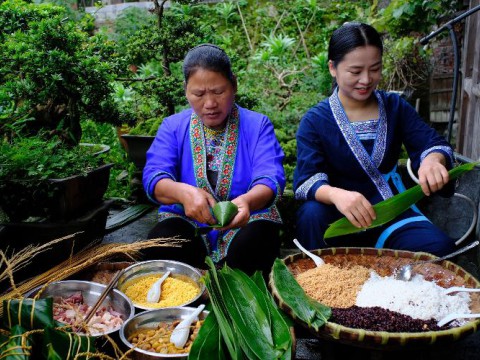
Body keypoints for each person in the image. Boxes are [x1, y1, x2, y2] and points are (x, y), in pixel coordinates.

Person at [294, 22, 455, 256]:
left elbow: (430, 143)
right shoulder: (315, 120)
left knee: (439, 248)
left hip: (389, 213)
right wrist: (337, 195)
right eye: (355, 71)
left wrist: (433, 160)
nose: (367, 80)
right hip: (338, 218)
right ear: (333, 68)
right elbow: (307, 180)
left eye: (375, 69)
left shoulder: (395, 106)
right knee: (311, 214)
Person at [142, 44, 286, 274]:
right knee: (161, 242)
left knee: (256, 243)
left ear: (234, 85)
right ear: (186, 90)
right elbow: (154, 177)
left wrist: (248, 201)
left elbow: (271, 177)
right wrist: (184, 193)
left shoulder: (257, 125)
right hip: (189, 224)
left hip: (247, 222)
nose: (209, 104)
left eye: (218, 92)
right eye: (198, 94)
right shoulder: (172, 127)